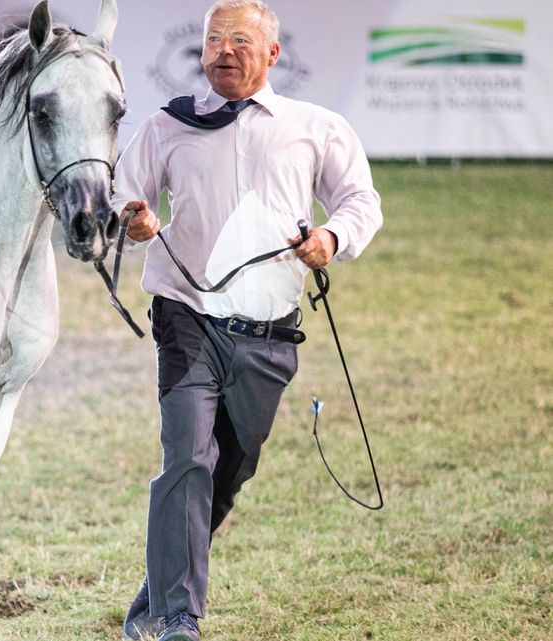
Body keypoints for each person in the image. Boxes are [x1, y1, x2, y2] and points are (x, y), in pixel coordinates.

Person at [112, 2, 382, 640]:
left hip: (267, 334)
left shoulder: (316, 127)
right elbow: (121, 191)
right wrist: (134, 218)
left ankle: (156, 596)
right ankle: (180, 618)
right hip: (187, 317)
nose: (223, 50)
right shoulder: (167, 125)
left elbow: (360, 200)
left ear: (272, 54)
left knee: (229, 471)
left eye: (239, 39)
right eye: (213, 40)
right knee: (187, 458)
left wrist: (331, 238)